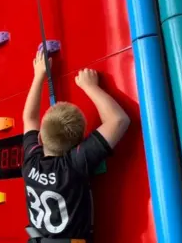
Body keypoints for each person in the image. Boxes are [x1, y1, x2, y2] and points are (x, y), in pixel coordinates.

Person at [22, 50, 130, 242]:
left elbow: (29, 118)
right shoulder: (73, 165)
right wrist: (90, 87)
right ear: (79, 144)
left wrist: (39, 75)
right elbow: (118, 120)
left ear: (40, 140)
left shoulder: (31, 163)